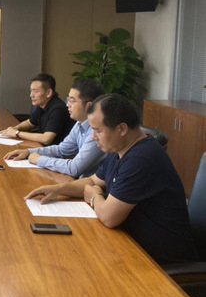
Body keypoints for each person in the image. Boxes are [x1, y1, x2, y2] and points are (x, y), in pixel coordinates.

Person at [24, 94, 198, 265]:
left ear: (121, 129)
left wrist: (94, 197)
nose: (93, 137)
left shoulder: (141, 158)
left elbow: (109, 217)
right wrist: (58, 189)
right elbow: (93, 181)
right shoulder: (119, 149)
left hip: (159, 259)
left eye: (98, 130)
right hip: (131, 243)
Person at [4, 78, 105, 178]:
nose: (67, 104)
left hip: (91, 185)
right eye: (68, 99)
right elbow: (61, 150)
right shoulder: (79, 123)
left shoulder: (97, 132)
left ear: (89, 106)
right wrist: (29, 152)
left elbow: (74, 168)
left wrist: (39, 159)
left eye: (72, 101)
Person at [0, 73, 74, 145]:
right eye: (31, 90)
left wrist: (17, 133)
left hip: (56, 150)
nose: (31, 95)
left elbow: (46, 139)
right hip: (42, 146)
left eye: (35, 91)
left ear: (48, 93)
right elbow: (30, 123)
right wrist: (15, 128)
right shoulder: (43, 105)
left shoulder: (58, 109)